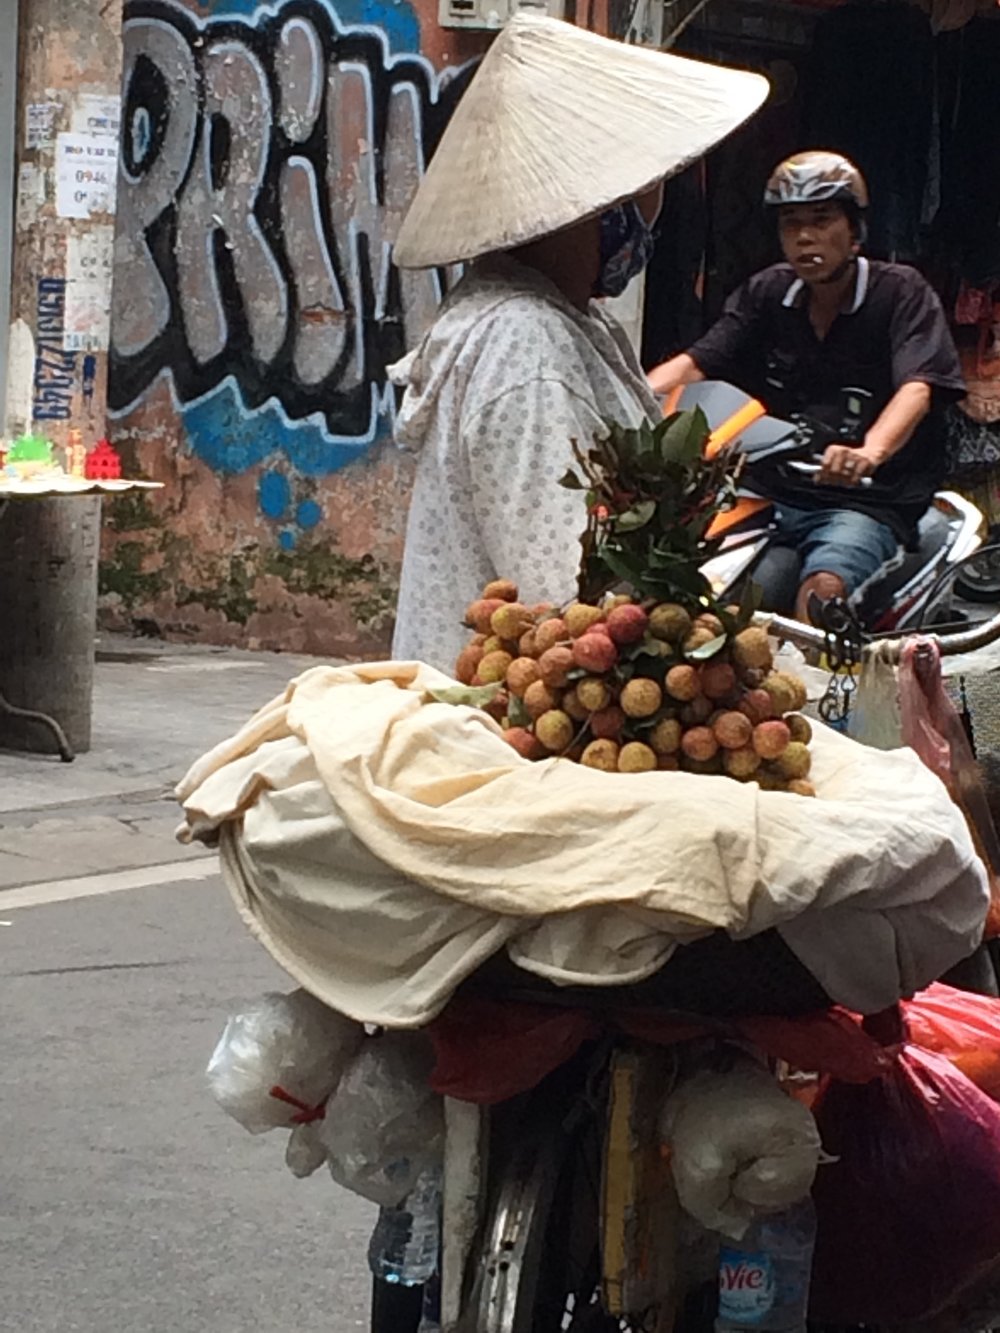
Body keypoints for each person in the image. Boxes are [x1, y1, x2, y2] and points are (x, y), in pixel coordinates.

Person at [388, 13, 767, 671]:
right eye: (649, 183)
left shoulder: (569, 323)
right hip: (502, 734)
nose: (657, 206)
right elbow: (571, 596)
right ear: (598, 199)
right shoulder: (525, 345)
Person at [649, 150, 966, 622]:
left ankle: (824, 694)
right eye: (790, 224)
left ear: (855, 229)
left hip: (865, 500)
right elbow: (697, 364)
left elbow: (918, 387)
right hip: (768, 487)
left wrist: (869, 452)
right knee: (683, 586)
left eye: (821, 220)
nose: (804, 237)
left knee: (821, 600)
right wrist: (626, 403)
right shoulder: (768, 292)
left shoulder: (901, 292)